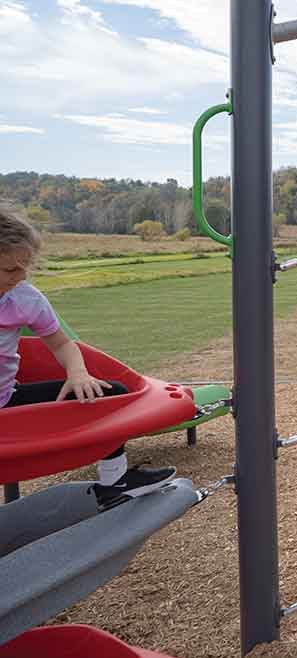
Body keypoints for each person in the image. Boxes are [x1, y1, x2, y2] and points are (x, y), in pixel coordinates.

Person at [0, 206, 174, 507]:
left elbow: (62, 345)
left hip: (7, 402)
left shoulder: (25, 299)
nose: (22, 276)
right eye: (11, 270)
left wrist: (78, 374)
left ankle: (115, 482)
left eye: (25, 267)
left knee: (109, 395)